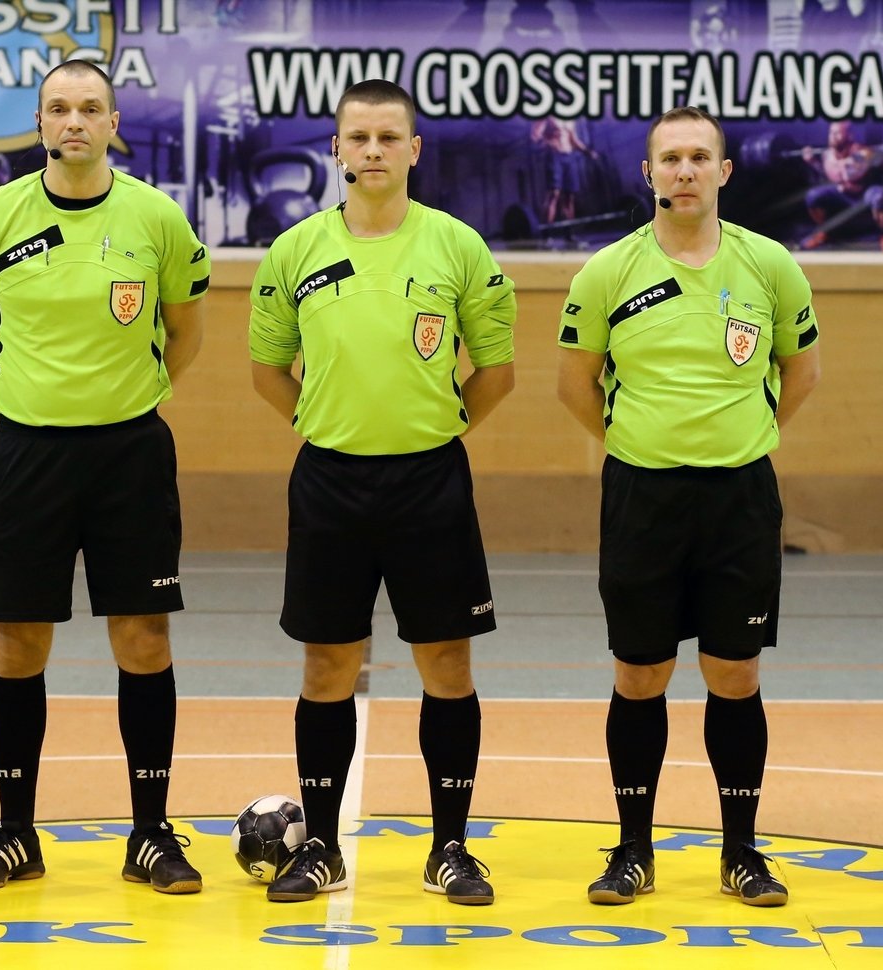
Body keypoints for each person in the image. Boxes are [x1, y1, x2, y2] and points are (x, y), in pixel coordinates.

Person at [248, 79, 515, 905]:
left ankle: (450, 848)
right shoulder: (294, 250)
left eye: (388, 137)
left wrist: (436, 425)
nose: (372, 151)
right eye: (358, 137)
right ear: (336, 149)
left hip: (431, 481)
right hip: (329, 481)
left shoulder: (458, 247)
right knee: (328, 664)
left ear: (413, 150)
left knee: (447, 663)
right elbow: (268, 369)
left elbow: (496, 370)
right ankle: (321, 847)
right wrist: (327, 422)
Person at [0, 59, 209, 894]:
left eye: (90, 108)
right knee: (19, 642)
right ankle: (14, 832)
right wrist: (25, 397)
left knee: (144, 639)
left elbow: (185, 331)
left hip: (130, 454)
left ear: (112, 122)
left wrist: (129, 396)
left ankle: (150, 833)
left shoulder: (156, 217)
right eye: (58, 108)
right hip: (27, 454)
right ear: (38, 121)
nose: (73, 121)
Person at [556, 106, 821, 908]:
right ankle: (633, 850)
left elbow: (801, 372)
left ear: (723, 171)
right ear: (648, 173)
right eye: (669, 158)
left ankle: (741, 851)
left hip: (740, 497)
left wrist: (744, 434)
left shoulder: (770, 265)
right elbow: (575, 384)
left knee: (734, 673)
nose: (684, 170)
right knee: (640, 673)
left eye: (699, 157)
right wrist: (640, 441)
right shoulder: (607, 271)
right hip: (642, 495)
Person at [799, 120, 883, 251]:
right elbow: (828, 175)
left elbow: (882, 169)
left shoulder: (863, 152)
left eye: (838, 133)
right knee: (813, 196)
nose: (833, 136)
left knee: (878, 196)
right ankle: (824, 231)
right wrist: (812, 162)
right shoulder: (827, 155)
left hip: (863, 194)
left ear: (849, 135)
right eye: (831, 133)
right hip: (841, 195)